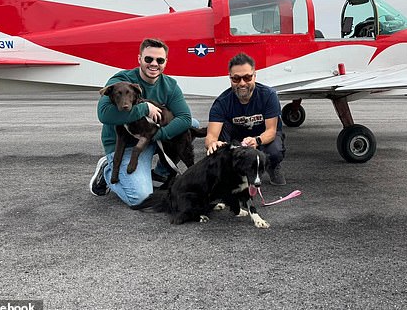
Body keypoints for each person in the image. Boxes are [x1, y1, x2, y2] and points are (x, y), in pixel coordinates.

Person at [89, 38, 197, 205]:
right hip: (123, 144)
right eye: (149, 59)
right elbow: (104, 115)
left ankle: (161, 172)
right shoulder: (121, 80)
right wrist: (145, 108)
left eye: (159, 60)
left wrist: (157, 134)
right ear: (139, 59)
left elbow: (185, 118)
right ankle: (108, 171)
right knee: (139, 198)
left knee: (192, 126)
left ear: (165, 62)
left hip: (149, 136)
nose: (154, 64)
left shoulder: (169, 85)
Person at [205, 52, 286, 185]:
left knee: (275, 151)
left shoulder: (269, 95)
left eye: (247, 77)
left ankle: (272, 165)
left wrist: (256, 141)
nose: (242, 83)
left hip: (262, 136)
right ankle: (229, 171)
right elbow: (211, 136)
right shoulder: (222, 102)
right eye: (236, 79)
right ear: (230, 78)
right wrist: (213, 144)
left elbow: (271, 131)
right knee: (215, 149)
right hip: (236, 139)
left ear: (254, 76)